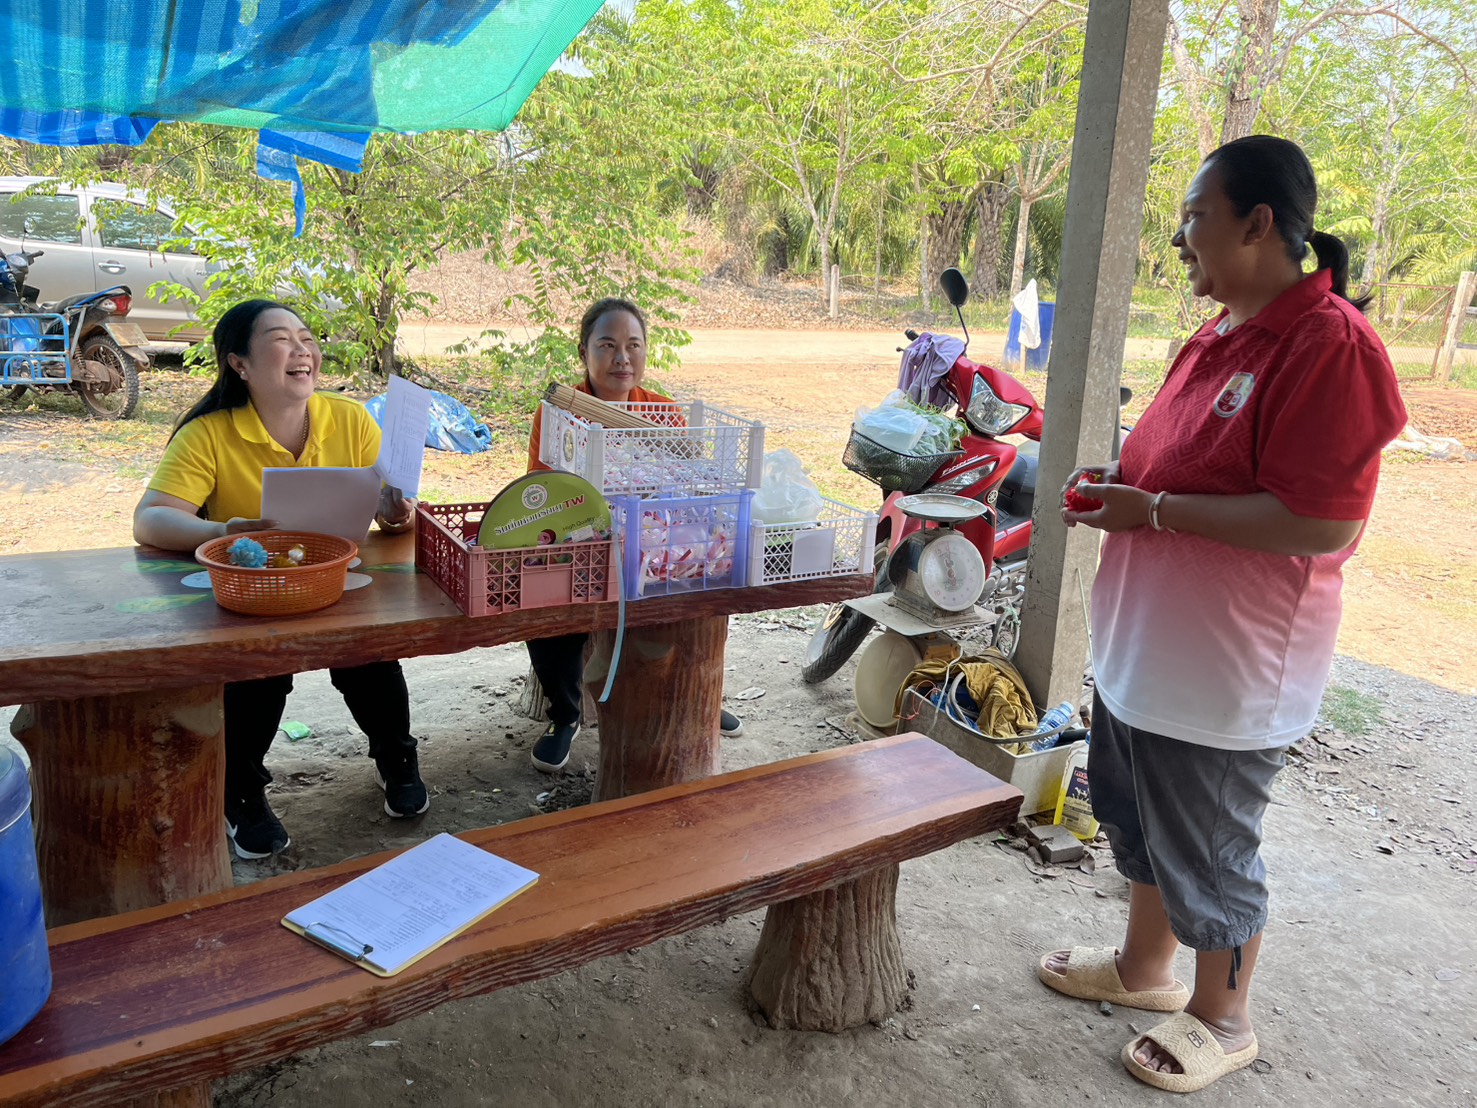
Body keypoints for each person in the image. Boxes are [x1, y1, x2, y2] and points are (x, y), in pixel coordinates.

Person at [1038, 136, 1406, 1093]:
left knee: (1207, 843)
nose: (1180, 234)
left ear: (1258, 224)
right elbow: (1177, 460)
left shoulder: (1329, 344)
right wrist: (1123, 480)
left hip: (1226, 668)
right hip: (1143, 649)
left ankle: (1224, 1016)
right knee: (1135, 816)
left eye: (1195, 214)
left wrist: (1152, 510)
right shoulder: (1217, 332)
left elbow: (1321, 518)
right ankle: (1143, 972)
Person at [132, 299, 428, 859]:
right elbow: (149, 520)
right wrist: (224, 528)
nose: (302, 350)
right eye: (280, 338)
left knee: (372, 658)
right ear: (239, 364)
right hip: (253, 596)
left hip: (339, 583)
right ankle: (242, 795)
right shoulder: (209, 435)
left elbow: (392, 512)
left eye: (307, 337)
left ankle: (398, 760)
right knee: (256, 677)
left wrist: (397, 514)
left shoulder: (351, 420)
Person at [523, 297, 744, 773]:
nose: (621, 358)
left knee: (703, 582)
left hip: (651, 544)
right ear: (584, 352)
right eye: (607, 345)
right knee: (545, 601)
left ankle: (696, 696)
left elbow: (687, 487)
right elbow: (543, 488)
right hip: (580, 540)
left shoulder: (664, 412)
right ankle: (564, 715)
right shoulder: (559, 413)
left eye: (633, 345)